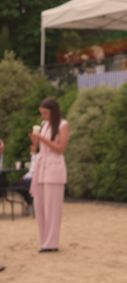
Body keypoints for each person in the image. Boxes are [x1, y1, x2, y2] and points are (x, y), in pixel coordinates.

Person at [29, 98, 70, 252]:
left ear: (53, 112)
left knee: (53, 207)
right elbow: (37, 149)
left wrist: (43, 140)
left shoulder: (63, 125)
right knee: (39, 205)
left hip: (55, 169)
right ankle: (44, 239)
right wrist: (35, 143)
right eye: (42, 113)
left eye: (45, 113)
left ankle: (52, 242)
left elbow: (61, 148)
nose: (43, 116)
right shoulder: (44, 125)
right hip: (42, 167)